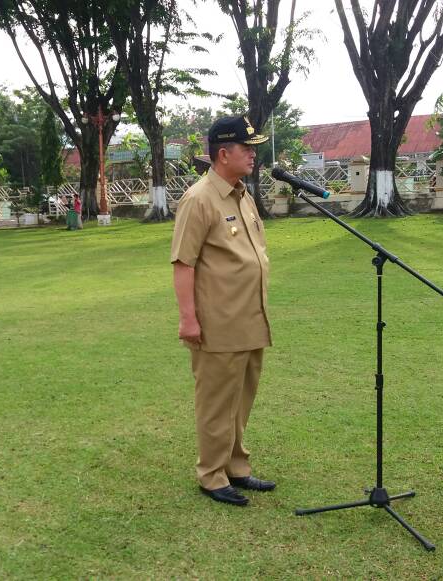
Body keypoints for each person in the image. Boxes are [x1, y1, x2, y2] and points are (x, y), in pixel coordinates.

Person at [170, 115, 275, 506]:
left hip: (249, 316)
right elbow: (184, 263)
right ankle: (211, 475)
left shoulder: (241, 194)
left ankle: (235, 465)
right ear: (223, 153)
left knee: (242, 396)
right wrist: (188, 318)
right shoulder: (199, 199)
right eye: (247, 148)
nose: (253, 154)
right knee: (216, 399)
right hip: (218, 321)